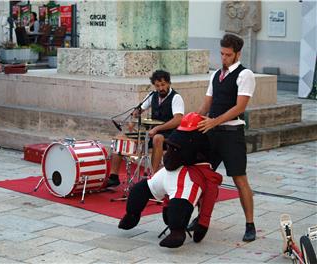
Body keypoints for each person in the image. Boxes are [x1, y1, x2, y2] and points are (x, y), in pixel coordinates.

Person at [118, 113, 222, 248]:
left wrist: (203, 224)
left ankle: (177, 232)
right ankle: (132, 215)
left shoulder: (205, 173)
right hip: (170, 172)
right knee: (140, 189)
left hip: (190, 178)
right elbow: (169, 186)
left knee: (178, 205)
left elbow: (208, 199)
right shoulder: (179, 137)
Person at [195, 33, 256, 242]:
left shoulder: (245, 74)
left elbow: (240, 107)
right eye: (221, 54)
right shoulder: (215, 74)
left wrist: (214, 121)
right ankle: (200, 218)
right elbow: (207, 103)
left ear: (237, 54)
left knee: (240, 179)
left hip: (232, 134)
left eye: (228, 55)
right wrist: (194, 120)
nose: (223, 58)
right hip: (212, 133)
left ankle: (250, 224)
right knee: (202, 175)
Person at [107, 70, 184, 187]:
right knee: (120, 138)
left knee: (157, 138)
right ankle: (113, 177)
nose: (161, 88)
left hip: (169, 135)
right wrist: (133, 117)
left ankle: (152, 178)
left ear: (168, 83)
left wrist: (158, 128)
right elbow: (139, 109)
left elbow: (178, 120)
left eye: (163, 85)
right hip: (152, 133)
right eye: (157, 86)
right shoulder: (152, 95)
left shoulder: (176, 98)